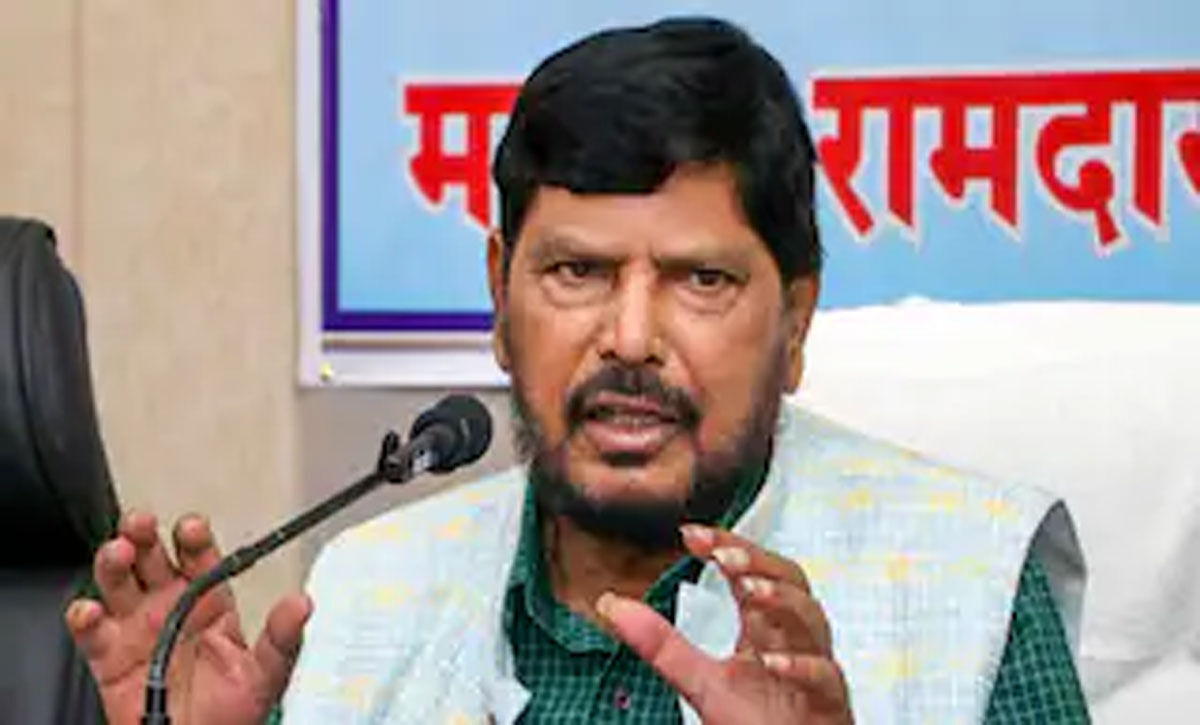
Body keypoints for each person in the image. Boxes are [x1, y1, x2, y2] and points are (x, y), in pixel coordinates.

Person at [65, 17, 1089, 724]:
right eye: (577, 272)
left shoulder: (972, 582)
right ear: (500, 293)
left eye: (700, 280)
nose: (630, 338)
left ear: (795, 322)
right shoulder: (364, 595)